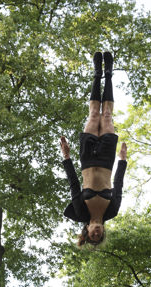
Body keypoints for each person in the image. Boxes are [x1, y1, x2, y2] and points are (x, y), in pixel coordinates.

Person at [60, 51, 127, 247]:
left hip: (87, 159)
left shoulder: (82, 213)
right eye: (99, 235)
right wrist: (122, 160)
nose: (96, 233)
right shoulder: (111, 211)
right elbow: (118, 184)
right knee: (106, 115)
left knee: (93, 116)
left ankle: (97, 74)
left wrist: (66, 157)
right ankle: (109, 74)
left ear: (87, 230)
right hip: (107, 160)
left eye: (92, 235)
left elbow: (73, 185)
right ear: (103, 231)